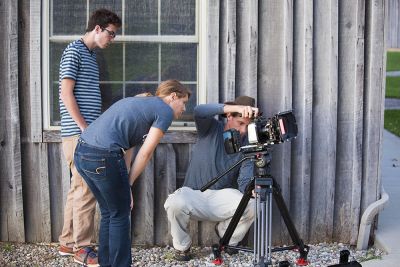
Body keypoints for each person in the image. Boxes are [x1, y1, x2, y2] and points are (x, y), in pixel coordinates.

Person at [74, 80, 191, 267]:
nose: (184, 108)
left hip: (82, 153)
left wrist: (125, 184)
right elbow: (145, 153)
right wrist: (127, 184)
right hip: (103, 156)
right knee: (120, 214)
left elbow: (128, 147)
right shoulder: (164, 110)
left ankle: (106, 263)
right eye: (183, 102)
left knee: (109, 212)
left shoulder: (140, 104)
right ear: (173, 96)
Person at [58, 8, 121, 266]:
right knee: (86, 190)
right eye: (111, 33)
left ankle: (67, 241)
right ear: (98, 28)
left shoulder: (90, 56)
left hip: (85, 134)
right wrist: (85, 127)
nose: (112, 39)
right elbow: (65, 93)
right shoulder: (74, 51)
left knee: (76, 190)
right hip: (79, 134)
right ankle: (82, 248)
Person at [164, 96, 259, 261]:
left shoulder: (247, 145)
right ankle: (182, 247)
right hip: (193, 193)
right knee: (174, 202)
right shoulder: (210, 128)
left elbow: (244, 181)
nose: (243, 130)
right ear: (229, 116)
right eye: (240, 123)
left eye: (248, 125)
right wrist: (231, 107)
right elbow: (199, 111)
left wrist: (251, 189)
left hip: (222, 197)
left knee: (255, 204)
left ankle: (227, 236)